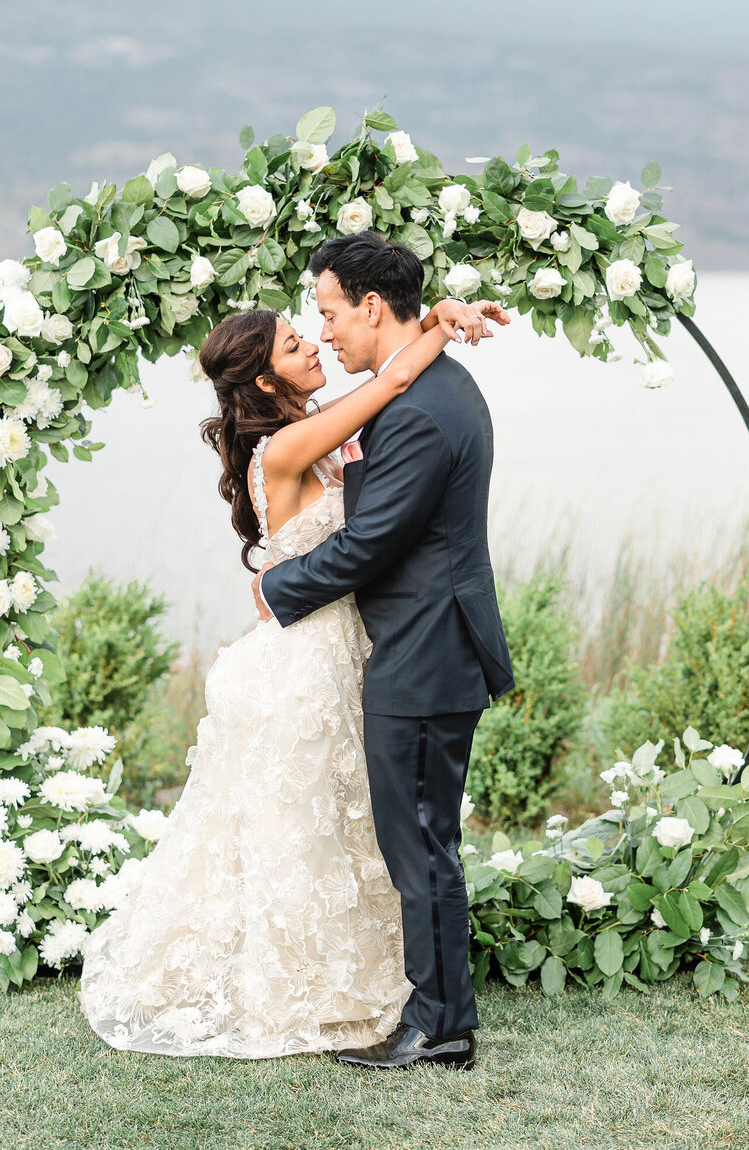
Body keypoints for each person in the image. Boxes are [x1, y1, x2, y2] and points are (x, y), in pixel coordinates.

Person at [78, 275, 507, 1060]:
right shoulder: (287, 444)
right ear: (268, 380)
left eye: (316, 325)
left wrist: (435, 317)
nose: (314, 340)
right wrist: (442, 322)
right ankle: (305, 985)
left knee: (342, 829)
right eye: (293, 341)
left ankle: (387, 990)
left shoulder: (316, 431)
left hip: (346, 650)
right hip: (303, 658)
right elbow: (396, 377)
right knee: (301, 830)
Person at [254, 232, 515, 1071]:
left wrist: (276, 590)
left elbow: (368, 544)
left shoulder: (422, 412)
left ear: (371, 306)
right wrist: (442, 321)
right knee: (421, 839)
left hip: (425, 652)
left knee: (421, 844)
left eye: (328, 313)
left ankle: (440, 1028)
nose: (324, 332)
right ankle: (437, 1012)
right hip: (425, 644)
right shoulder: (428, 385)